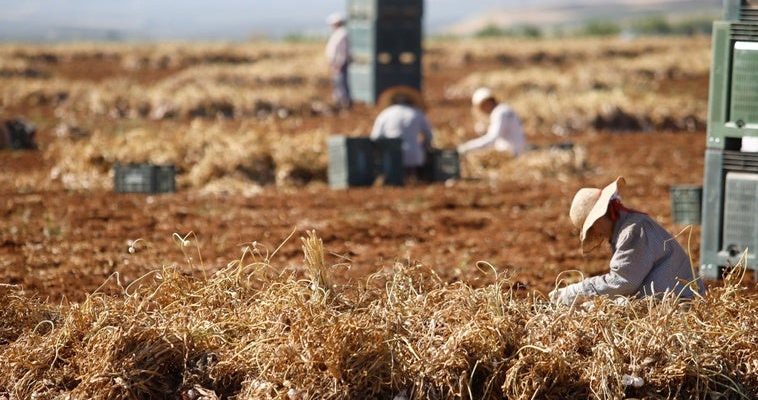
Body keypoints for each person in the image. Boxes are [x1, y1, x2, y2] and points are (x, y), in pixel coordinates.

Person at [549, 177, 705, 305]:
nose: (597, 233)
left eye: (593, 228)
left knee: (595, 308)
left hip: (680, 305)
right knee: (595, 307)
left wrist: (574, 292)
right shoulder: (630, 226)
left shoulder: (632, 231)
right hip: (666, 301)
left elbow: (622, 282)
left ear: (600, 217)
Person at [370, 86, 433, 178]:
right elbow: (429, 136)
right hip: (414, 157)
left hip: (391, 159)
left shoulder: (384, 114)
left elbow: (375, 137)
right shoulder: (417, 114)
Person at [457, 87, 526, 156]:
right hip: (515, 151)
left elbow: (492, 138)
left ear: (485, 103)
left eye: (481, 107)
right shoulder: (504, 109)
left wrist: (467, 147)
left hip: (510, 153)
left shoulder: (499, 113)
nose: (483, 111)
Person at [325, 13, 352, 110]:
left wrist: (339, 64)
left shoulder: (342, 34)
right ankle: (339, 102)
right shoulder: (338, 33)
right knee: (337, 83)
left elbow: (343, 51)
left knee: (341, 83)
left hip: (339, 64)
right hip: (335, 64)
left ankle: (344, 104)